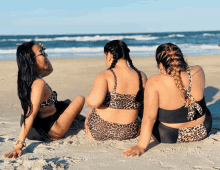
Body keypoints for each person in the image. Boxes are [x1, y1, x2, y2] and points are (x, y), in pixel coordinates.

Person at [123, 43, 212, 157]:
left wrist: (141, 146)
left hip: (171, 135)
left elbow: (150, 117)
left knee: (143, 103)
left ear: (160, 64)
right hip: (203, 129)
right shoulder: (198, 70)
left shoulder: (155, 81)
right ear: (181, 58)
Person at [3, 41, 85, 158]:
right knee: (79, 99)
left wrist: (43, 53)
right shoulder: (38, 84)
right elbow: (31, 113)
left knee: (66, 103)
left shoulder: (29, 77)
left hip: (37, 126)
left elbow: (49, 69)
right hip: (51, 129)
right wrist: (19, 145)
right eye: (41, 53)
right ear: (32, 60)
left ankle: (78, 119)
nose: (45, 55)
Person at [84, 40, 147, 141]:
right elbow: (145, 103)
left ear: (108, 55)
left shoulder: (105, 75)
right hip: (129, 132)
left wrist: (88, 98)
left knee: (93, 108)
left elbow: (93, 102)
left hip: (100, 131)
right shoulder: (141, 76)